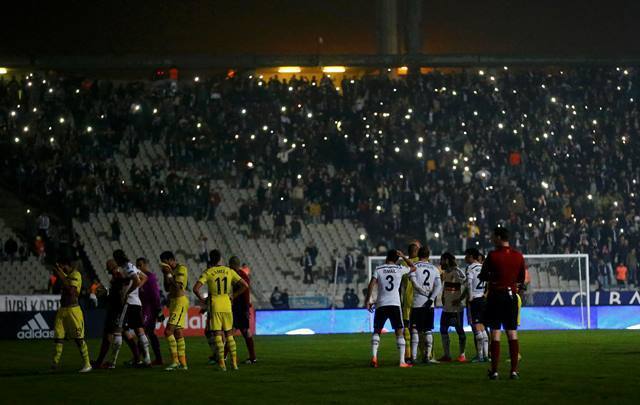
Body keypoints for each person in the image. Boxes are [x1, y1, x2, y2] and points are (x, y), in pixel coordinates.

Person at [479, 226, 526, 380]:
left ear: (499, 237)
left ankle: (495, 371)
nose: (492, 239)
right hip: (511, 296)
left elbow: (483, 275)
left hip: (496, 295)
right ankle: (513, 371)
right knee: (512, 333)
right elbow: (521, 278)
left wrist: (494, 276)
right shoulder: (518, 256)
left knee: (495, 333)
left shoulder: (492, 255)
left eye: (494, 237)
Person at [193, 249, 249, 371]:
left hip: (215, 305)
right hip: (227, 305)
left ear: (210, 259)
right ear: (220, 258)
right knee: (229, 334)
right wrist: (233, 295)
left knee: (218, 334)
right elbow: (245, 285)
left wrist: (203, 301)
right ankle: (234, 364)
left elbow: (195, 288)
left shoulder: (209, 272)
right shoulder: (228, 271)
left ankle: (222, 364)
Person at [365, 250, 416, 368]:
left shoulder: (379, 269)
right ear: (397, 258)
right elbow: (413, 267)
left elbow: (371, 284)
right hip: (394, 304)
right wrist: (403, 256)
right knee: (399, 332)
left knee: (377, 331)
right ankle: (402, 361)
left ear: (387, 257)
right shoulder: (400, 269)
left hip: (381, 304)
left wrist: (368, 300)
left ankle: (374, 357)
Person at [109, 249, 151, 368]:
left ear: (117, 259)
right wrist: (135, 290)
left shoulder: (126, 267)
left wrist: (128, 293)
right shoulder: (131, 266)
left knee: (118, 330)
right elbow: (144, 278)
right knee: (139, 330)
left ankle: (113, 362)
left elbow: (137, 280)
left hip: (127, 303)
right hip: (136, 303)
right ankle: (147, 359)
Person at [51, 255, 91, 373]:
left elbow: (71, 291)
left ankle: (87, 364)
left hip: (73, 311)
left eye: (60, 266)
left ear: (65, 265)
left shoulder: (75, 275)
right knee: (58, 338)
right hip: (62, 310)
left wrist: (60, 274)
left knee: (79, 339)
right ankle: (54, 364)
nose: (59, 268)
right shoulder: (67, 276)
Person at [409, 246, 442, 364]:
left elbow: (413, 281)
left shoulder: (414, 267)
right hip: (429, 304)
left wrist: (423, 292)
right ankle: (427, 356)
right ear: (428, 255)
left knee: (415, 330)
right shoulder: (434, 268)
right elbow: (439, 286)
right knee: (428, 330)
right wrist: (431, 298)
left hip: (418, 302)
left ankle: (413, 358)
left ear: (419, 254)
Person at [92, 259, 126, 368]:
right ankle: (102, 361)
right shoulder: (117, 276)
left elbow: (120, 294)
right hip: (115, 309)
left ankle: (105, 362)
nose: (107, 269)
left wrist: (107, 295)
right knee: (116, 334)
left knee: (110, 335)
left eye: (108, 267)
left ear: (112, 266)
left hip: (116, 310)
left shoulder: (118, 276)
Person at [160, 251, 189, 371]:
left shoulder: (181, 268)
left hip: (180, 302)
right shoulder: (169, 271)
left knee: (168, 332)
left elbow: (178, 287)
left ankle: (175, 361)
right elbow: (167, 288)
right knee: (178, 333)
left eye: (165, 262)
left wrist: (169, 274)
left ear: (171, 260)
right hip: (173, 302)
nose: (164, 264)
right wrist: (165, 275)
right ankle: (183, 364)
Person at [438, 252, 468, 363]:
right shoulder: (446, 272)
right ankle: (447, 355)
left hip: (456, 309)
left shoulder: (457, 272)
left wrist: (460, 299)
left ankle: (462, 355)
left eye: (442, 260)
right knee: (443, 329)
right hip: (446, 307)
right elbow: (446, 286)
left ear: (447, 260)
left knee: (459, 330)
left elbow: (467, 285)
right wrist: (442, 295)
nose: (440, 262)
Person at [229, 256, 257, 364]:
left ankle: (253, 357)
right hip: (239, 306)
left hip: (241, 307)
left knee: (243, 331)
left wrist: (233, 296)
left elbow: (245, 288)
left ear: (233, 265)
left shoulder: (240, 275)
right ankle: (223, 356)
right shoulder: (240, 274)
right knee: (232, 331)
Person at [137, 257, 163, 366]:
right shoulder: (139, 278)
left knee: (142, 332)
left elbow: (155, 295)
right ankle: (157, 359)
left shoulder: (150, 277)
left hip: (150, 309)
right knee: (149, 334)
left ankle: (139, 358)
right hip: (144, 309)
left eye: (140, 265)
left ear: (145, 265)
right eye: (137, 265)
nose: (138, 268)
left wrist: (158, 309)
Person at [465, 248, 489, 363]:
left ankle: (480, 356)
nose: (465, 258)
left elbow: (469, 283)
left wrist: (470, 296)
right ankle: (486, 355)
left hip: (474, 299)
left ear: (471, 256)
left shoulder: (470, 268)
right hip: (483, 299)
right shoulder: (483, 267)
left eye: (466, 256)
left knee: (477, 328)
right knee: (483, 328)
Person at [400, 242, 420, 363]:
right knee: (422, 329)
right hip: (421, 299)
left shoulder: (403, 264)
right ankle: (426, 355)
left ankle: (408, 356)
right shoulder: (423, 262)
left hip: (407, 299)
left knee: (407, 327)